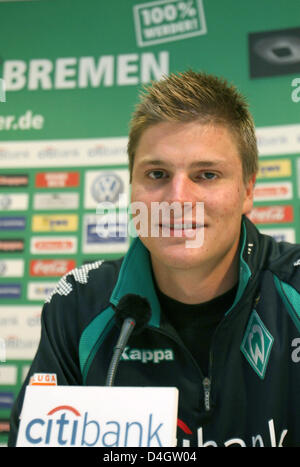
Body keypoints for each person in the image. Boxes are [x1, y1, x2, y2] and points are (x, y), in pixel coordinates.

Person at [8, 70, 300, 447]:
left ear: (247, 190)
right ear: (131, 185)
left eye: (207, 174)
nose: (177, 199)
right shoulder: (78, 306)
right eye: (157, 173)